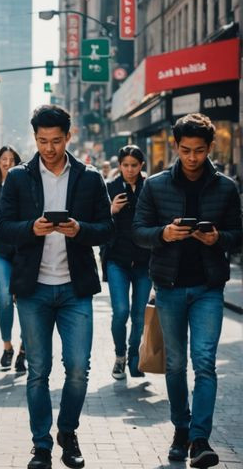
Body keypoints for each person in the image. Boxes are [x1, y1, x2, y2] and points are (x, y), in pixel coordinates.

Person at [0, 105, 113, 469]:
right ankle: (42, 444)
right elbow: (3, 228)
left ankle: (68, 431)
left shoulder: (89, 177)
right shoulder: (19, 177)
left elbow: (107, 227)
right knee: (38, 371)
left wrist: (81, 231)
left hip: (75, 288)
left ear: (69, 136)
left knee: (78, 368)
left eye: (56, 140)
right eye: (42, 141)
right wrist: (31, 228)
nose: (49, 148)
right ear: (34, 138)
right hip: (34, 289)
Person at [133, 113, 242, 468]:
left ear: (210, 147)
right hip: (169, 286)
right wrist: (163, 234)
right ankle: (181, 428)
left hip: (209, 287)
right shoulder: (155, 185)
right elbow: (139, 231)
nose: (192, 157)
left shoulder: (225, 186)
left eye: (198, 150)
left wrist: (217, 238)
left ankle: (199, 439)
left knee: (205, 364)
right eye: (185, 150)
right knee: (176, 364)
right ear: (176, 147)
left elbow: (237, 235)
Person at [102, 145, 151, 380]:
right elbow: (98, 223)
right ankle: (120, 356)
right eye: (125, 165)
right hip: (117, 260)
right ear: (119, 166)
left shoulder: (151, 188)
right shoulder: (109, 188)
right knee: (121, 311)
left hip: (144, 262)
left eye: (134, 165)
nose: (129, 170)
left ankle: (134, 359)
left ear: (141, 166)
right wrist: (111, 210)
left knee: (139, 315)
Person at [0, 146, 26, 372]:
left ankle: (24, 350)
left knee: (25, 302)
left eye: (12, 159)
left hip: (23, 251)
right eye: (4, 159)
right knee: (4, 298)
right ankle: (7, 346)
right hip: (0, 250)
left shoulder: (25, 183)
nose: (8, 163)